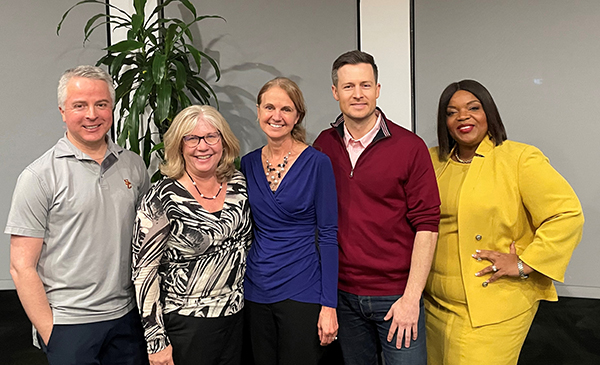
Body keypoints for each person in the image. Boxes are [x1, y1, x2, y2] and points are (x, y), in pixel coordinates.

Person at [425, 79, 584, 365]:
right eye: (452, 111)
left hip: (495, 305)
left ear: (489, 112)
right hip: (434, 307)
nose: (463, 116)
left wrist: (525, 263)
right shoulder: (432, 161)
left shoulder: (519, 158)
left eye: (473, 107)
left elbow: (566, 214)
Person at [5, 65, 150, 365]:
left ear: (112, 107)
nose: (91, 115)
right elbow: (21, 267)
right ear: (62, 111)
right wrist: (51, 333)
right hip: (69, 324)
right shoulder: (39, 176)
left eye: (101, 104)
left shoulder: (134, 167)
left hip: (127, 319)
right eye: (79, 106)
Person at [313, 50, 440, 365]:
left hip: (395, 296)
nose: (358, 94)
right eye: (348, 86)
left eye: (365, 85)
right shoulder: (323, 145)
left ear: (378, 89)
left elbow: (427, 225)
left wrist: (411, 299)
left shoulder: (410, 147)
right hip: (343, 296)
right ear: (335, 92)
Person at [132, 105, 252, 365]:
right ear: (179, 145)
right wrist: (156, 340)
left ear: (223, 142)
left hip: (237, 318)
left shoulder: (238, 184)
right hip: (186, 324)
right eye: (192, 138)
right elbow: (144, 272)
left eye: (211, 136)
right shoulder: (161, 197)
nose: (203, 146)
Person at [240, 77, 339, 365]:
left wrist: (329, 305)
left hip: (303, 288)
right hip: (256, 289)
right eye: (269, 107)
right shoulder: (247, 164)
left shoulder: (317, 163)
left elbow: (329, 236)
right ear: (258, 111)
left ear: (297, 116)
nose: (276, 116)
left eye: (286, 109)